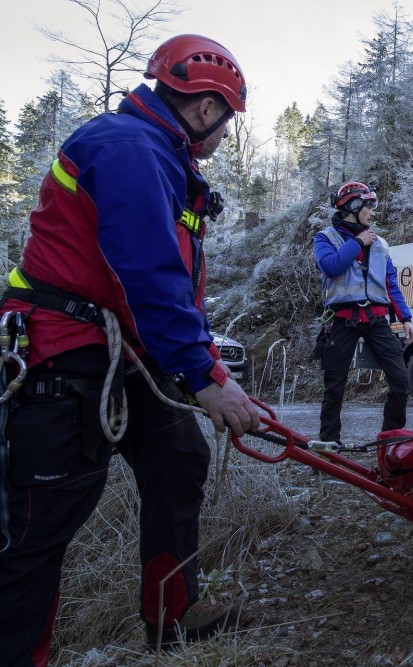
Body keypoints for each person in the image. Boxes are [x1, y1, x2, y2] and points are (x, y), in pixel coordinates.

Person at [0, 34, 260, 663]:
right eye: (226, 122)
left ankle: (173, 613)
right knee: (39, 527)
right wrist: (202, 375)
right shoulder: (128, 149)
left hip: (120, 351)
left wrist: (212, 370)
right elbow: (147, 272)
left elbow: (165, 289)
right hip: (67, 354)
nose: (225, 136)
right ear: (204, 110)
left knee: (178, 456)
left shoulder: (155, 152)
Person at [314, 181, 413, 445]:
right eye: (368, 206)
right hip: (340, 321)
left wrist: (405, 318)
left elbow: (390, 282)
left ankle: (390, 441)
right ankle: (328, 445)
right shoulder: (325, 238)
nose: (373, 213)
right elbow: (331, 266)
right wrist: (358, 242)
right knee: (334, 387)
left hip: (376, 320)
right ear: (353, 206)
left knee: (400, 380)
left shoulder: (381, 244)